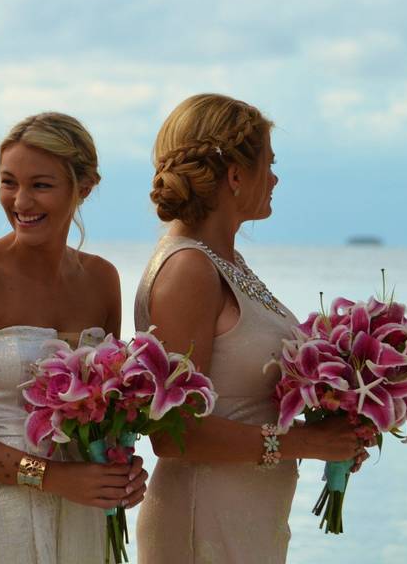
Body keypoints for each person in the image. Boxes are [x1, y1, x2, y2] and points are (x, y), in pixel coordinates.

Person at [134, 93, 370, 563]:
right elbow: (173, 433)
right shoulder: (189, 270)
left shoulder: (225, 262)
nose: (276, 177)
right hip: (204, 517)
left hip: (249, 513)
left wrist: (330, 424)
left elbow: (243, 402)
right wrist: (307, 442)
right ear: (236, 176)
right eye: (270, 163)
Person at [0, 112, 148, 564]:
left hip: (88, 522)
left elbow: (109, 415)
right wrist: (53, 478)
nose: (20, 201)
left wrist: (122, 469)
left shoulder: (102, 279)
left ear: (85, 187)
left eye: (40, 185)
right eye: (8, 182)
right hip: (7, 521)